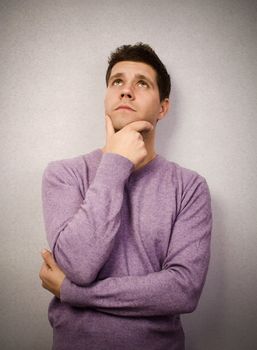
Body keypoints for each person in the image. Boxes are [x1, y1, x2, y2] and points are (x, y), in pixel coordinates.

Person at [39, 43, 212, 350]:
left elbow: (183, 290)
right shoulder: (64, 174)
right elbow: (78, 265)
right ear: (106, 96)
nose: (126, 91)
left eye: (142, 83)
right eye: (117, 81)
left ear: (163, 108)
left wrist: (74, 293)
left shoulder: (190, 187)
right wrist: (116, 163)